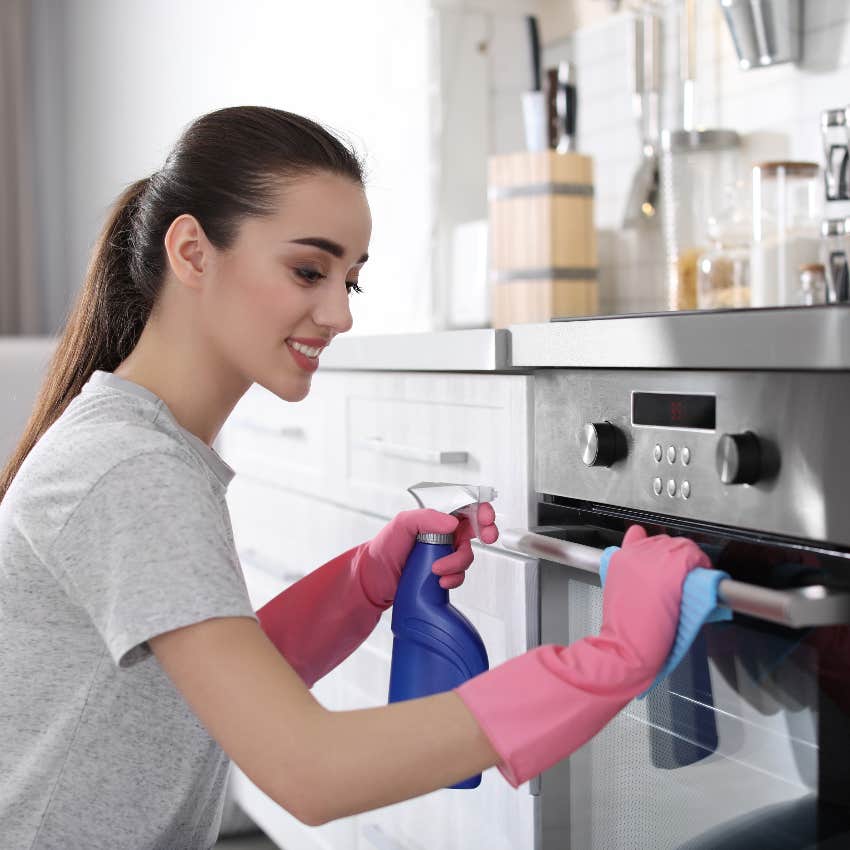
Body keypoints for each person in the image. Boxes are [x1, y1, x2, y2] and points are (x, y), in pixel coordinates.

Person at [0, 105, 712, 849]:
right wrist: (615, 654)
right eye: (309, 270)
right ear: (193, 252)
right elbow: (313, 772)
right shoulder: (132, 471)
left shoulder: (144, 447)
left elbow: (210, 690)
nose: (339, 313)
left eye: (352, 281)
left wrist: (364, 581)